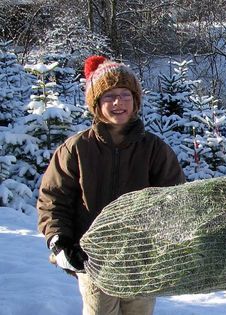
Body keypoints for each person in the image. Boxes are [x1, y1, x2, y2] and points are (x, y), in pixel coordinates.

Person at [37, 55, 186, 315]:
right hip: (93, 260)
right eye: (109, 96)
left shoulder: (154, 149)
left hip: (141, 262)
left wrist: (167, 246)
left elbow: (174, 200)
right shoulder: (76, 149)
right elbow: (54, 200)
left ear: (135, 100)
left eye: (125, 94)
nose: (118, 103)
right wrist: (60, 241)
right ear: (96, 103)